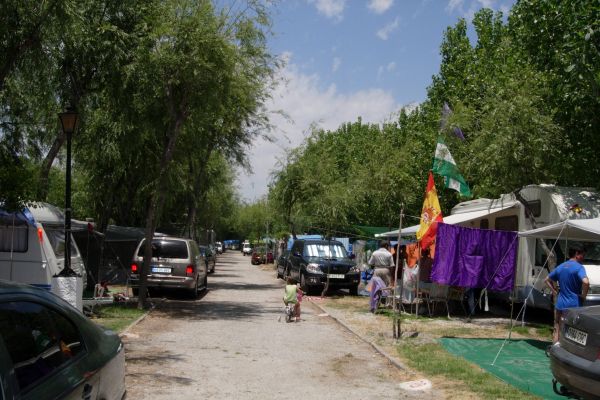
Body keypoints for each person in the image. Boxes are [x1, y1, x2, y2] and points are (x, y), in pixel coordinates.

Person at [544, 246, 589, 342]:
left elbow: (546, 280)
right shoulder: (579, 267)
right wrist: (583, 296)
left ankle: (555, 346)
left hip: (560, 304)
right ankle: (568, 348)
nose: (583, 258)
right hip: (574, 305)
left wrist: (554, 291)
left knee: (558, 327)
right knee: (572, 330)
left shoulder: (561, 266)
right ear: (576, 254)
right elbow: (586, 282)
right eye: (583, 255)